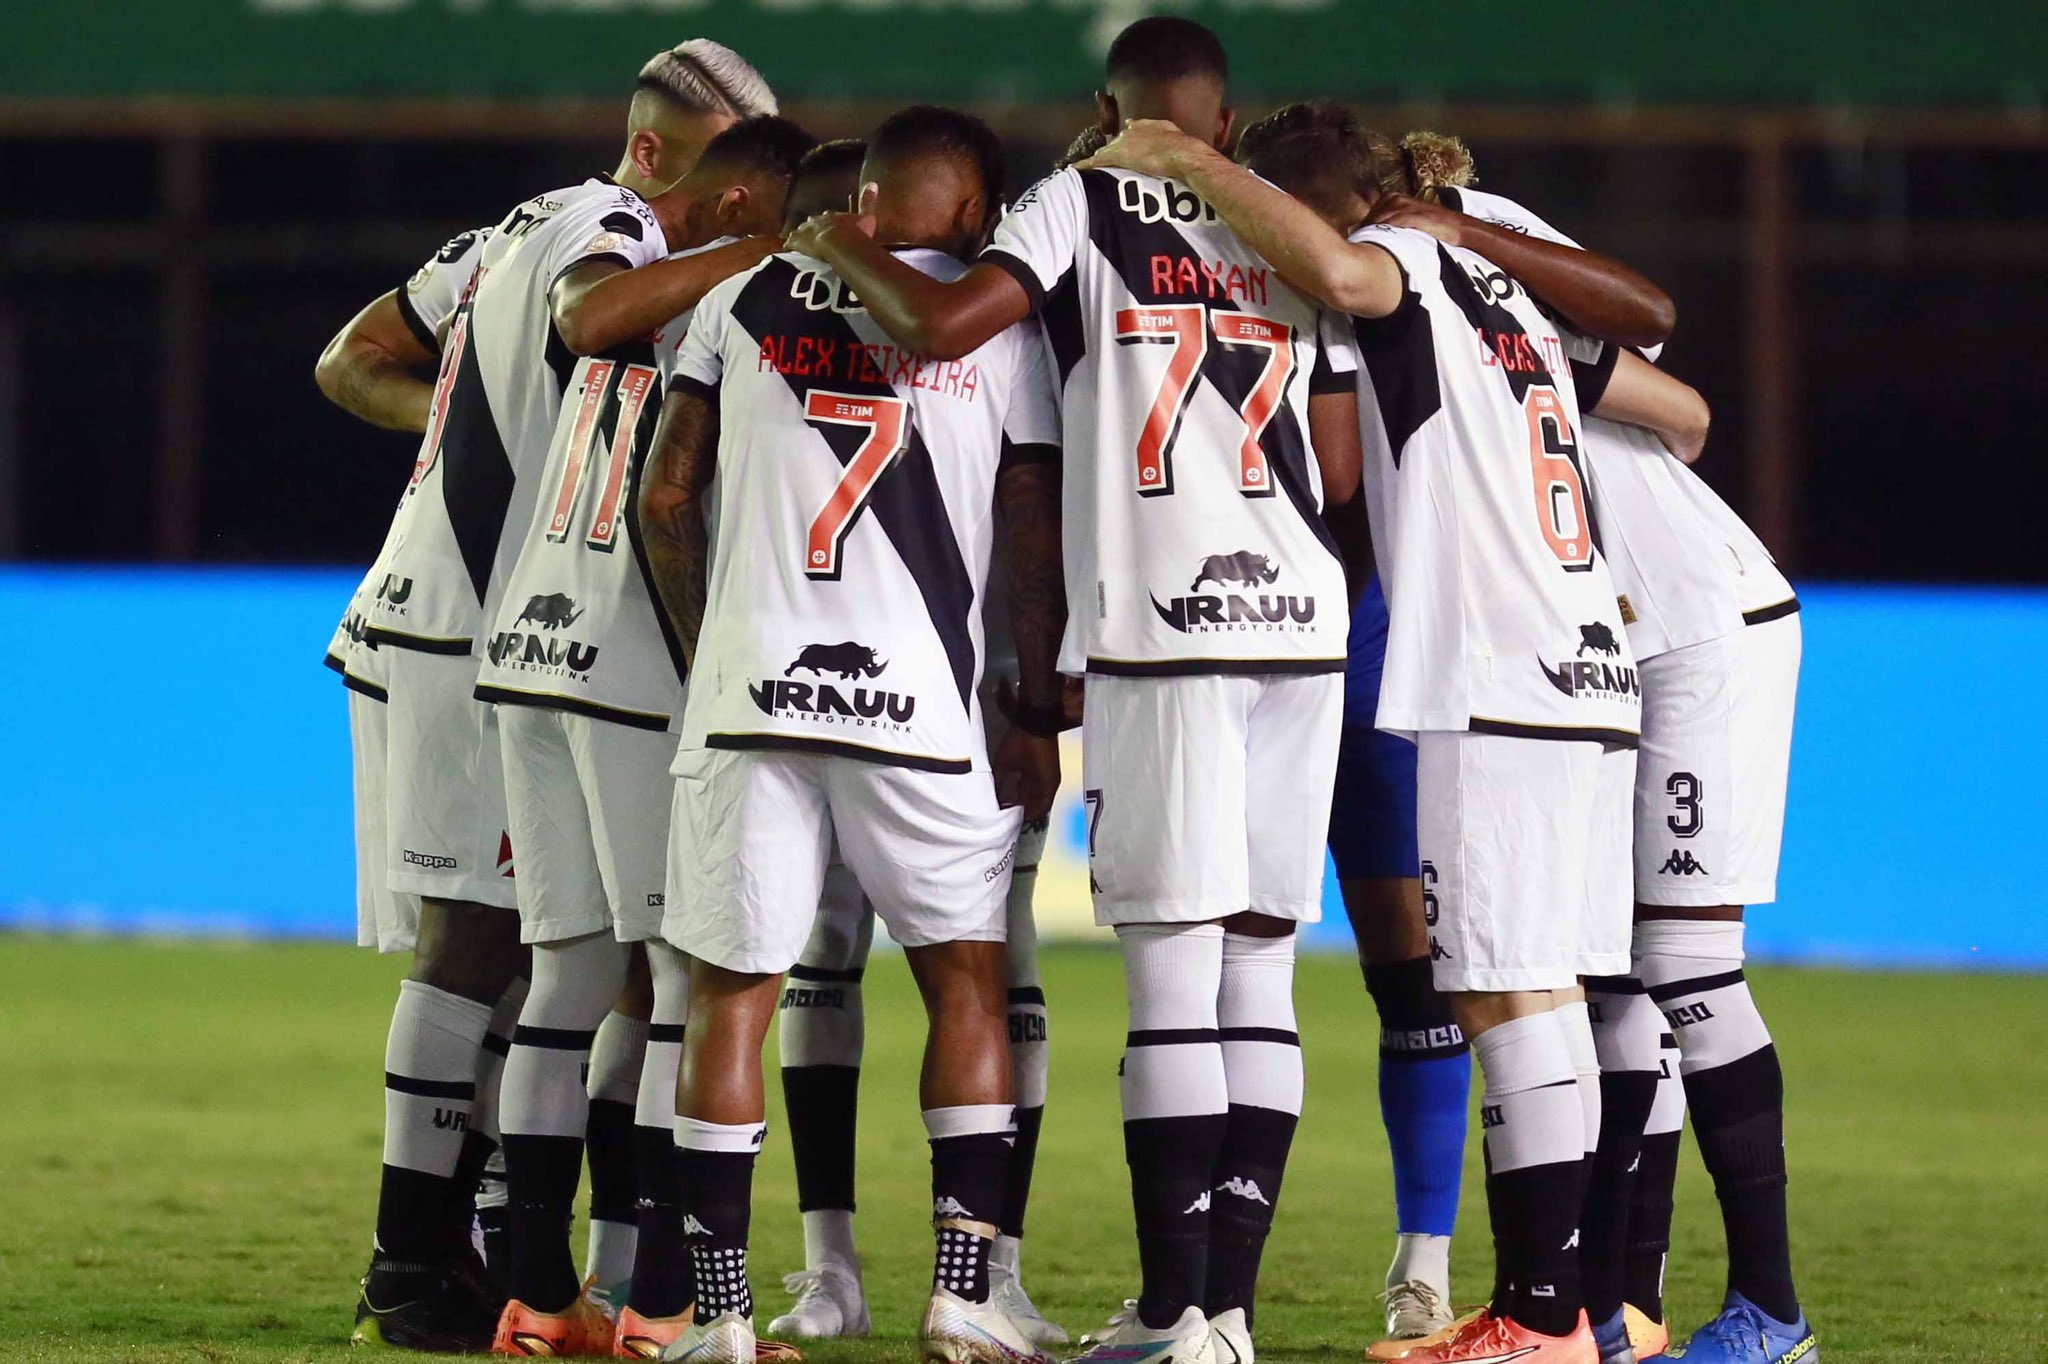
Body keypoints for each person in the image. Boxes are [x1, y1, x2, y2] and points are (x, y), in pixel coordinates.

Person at [1079, 103, 1709, 1364]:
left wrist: (1184, 162)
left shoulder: (1410, 266)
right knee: (1542, 994)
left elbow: (1347, 268)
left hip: (1497, 668)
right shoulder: (1501, 288)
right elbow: (1667, 386)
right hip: (1584, 668)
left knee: (1503, 992)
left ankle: (1537, 1316)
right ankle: (1558, 1305)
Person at [789, 22, 1368, 1364]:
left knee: (1171, 984)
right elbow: (1338, 468)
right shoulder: (1277, 214)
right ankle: (1228, 1311)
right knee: (1260, 976)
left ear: (1102, 109)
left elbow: (945, 325)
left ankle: (1178, 1314)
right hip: (1303, 628)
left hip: (1168, 633)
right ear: (1224, 125)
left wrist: (836, 243)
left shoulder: (1077, 199)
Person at [345, 39, 783, 1352]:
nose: (724, 219)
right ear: (651, 152)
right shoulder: (605, 223)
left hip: (489, 615)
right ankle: (418, 1268)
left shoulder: (506, 227)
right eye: (716, 189)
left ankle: (487, 1259)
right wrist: (767, 255)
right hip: (492, 613)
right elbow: (592, 316)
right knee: (505, 945)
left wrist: (471, 429)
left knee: (543, 954)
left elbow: (351, 358)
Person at [639, 104, 1067, 1364]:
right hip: (920, 704)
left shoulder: (747, 295)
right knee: (964, 979)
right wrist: (1030, 694)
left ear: (864, 200)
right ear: (977, 213)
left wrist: (705, 650)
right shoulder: (1001, 325)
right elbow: (1029, 523)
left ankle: (716, 1315)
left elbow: (667, 494)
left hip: (748, 697)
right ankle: (960, 1292)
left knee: (732, 995)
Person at [1427, 187, 1814, 1364]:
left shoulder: (1481, 269)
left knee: (1684, 969)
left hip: (1700, 629)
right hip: (1610, 655)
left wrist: (1459, 229)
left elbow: (1660, 361)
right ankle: (1614, 1304)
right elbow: (1684, 415)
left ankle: (1771, 1310)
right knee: (1611, 979)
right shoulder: (1471, 324)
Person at [476, 115, 815, 1360]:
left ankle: (545, 1294)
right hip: (626, 660)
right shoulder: (731, 307)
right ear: (749, 211)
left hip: (530, 642)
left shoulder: (638, 300)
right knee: (685, 978)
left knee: (567, 979)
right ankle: (664, 1309)